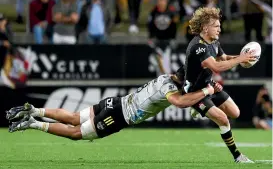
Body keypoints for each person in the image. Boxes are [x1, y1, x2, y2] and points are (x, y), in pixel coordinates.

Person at [7, 67, 219, 143]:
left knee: (74, 117)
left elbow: (186, 94)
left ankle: (34, 110)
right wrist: (208, 91)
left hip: (115, 102)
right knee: (75, 133)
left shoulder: (166, 77)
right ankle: (32, 123)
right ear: (183, 80)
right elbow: (180, 101)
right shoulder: (171, 89)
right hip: (118, 115)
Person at [183, 7, 257, 163]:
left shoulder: (214, 42)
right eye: (216, 26)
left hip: (209, 85)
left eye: (219, 26)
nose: (219, 29)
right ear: (205, 28)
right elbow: (216, 67)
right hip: (195, 93)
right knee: (223, 119)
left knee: (235, 113)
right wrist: (239, 59)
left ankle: (200, 110)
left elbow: (223, 58)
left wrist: (244, 57)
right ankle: (238, 156)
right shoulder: (198, 47)